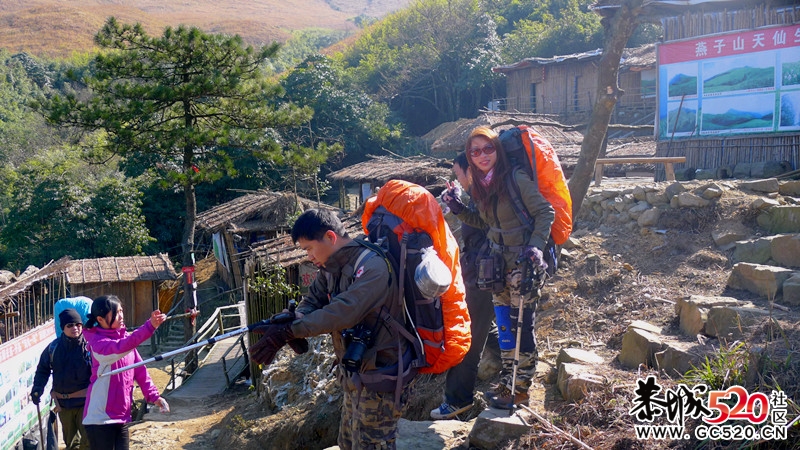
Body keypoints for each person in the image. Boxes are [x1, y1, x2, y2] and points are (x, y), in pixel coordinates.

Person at [248, 208, 416, 449]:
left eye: (308, 248)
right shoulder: (331, 267)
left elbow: (343, 312)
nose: (309, 256)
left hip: (382, 378)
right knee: (347, 443)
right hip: (355, 375)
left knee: (373, 445)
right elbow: (313, 300)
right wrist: (292, 318)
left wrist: (291, 331)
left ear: (330, 237)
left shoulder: (373, 267)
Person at [441, 126, 554, 409]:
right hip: (498, 266)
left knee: (521, 328)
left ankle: (521, 390)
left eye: (487, 148)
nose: (482, 155)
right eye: (475, 151)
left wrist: (537, 247)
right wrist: (459, 208)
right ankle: (509, 386)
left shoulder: (515, 178)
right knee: (505, 327)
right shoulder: (483, 186)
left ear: (498, 149)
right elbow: (488, 224)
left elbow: (545, 212)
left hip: (524, 264)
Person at [431, 152, 501, 419]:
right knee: (486, 322)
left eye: (458, 173)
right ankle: (514, 360)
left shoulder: (483, 198)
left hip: (482, 277)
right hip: (482, 275)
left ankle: (458, 400)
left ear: (469, 172)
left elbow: (482, 227)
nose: (456, 178)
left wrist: (458, 206)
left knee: (467, 336)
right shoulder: (479, 196)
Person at [82, 295, 169, 450]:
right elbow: (122, 346)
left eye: (121, 310)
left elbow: (141, 372)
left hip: (121, 416)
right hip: (100, 419)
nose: (121, 316)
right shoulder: (98, 345)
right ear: (100, 319)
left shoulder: (126, 340)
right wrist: (149, 327)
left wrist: (154, 396)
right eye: (116, 313)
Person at [31, 308, 92, 450]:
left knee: (89, 443)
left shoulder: (91, 347)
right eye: (69, 325)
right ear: (63, 328)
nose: (75, 328)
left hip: (87, 404)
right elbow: (42, 370)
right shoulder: (53, 349)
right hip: (63, 405)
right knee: (71, 444)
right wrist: (37, 389)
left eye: (78, 324)